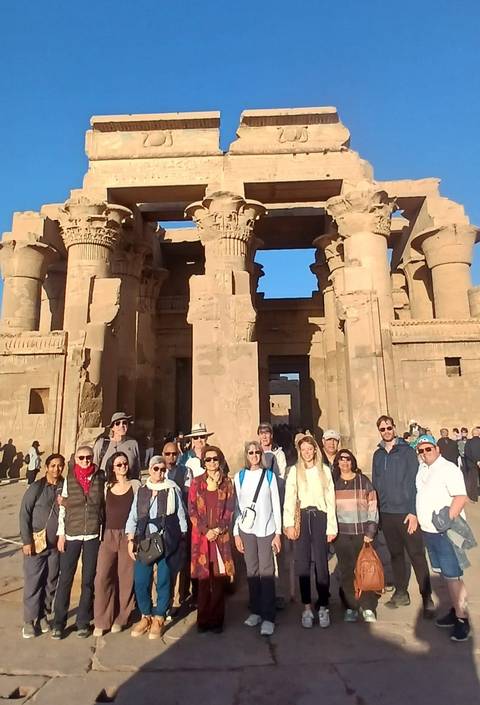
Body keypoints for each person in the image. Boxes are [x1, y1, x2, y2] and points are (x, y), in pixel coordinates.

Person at [372, 415, 434, 617]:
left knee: (416, 555)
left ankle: (427, 597)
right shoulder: (378, 455)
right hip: (388, 513)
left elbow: (415, 483)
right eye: (382, 429)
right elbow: (376, 483)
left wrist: (413, 512)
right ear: (379, 431)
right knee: (396, 554)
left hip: (406, 513)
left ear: (394, 428)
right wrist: (378, 514)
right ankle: (401, 592)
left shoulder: (406, 452)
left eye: (389, 428)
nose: (386, 431)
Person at [414, 434, 471, 641]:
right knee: (446, 575)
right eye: (420, 450)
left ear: (436, 448)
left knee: (453, 576)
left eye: (428, 449)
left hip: (445, 531)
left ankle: (462, 619)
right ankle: (455, 610)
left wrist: (447, 520)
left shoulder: (448, 469)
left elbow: (461, 496)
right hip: (429, 531)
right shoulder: (423, 469)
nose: (424, 453)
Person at [126, 455, 187, 639]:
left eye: (162, 469)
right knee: (141, 579)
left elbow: (181, 514)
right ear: (150, 469)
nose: (159, 473)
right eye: (156, 469)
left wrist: (182, 538)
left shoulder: (171, 489)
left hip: (166, 539)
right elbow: (133, 516)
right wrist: (130, 539)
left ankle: (159, 615)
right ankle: (146, 615)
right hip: (145, 540)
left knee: (163, 579)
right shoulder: (142, 491)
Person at [52, 446, 105, 639]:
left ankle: (83, 621)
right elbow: (63, 509)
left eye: (88, 457)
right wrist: (61, 534)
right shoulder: (70, 479)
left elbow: (104, 504)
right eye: (81, 458)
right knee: (65, 578)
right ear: (76, 459)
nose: (85, 461)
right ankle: (59, 622)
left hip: (91, 535)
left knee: (88, 580)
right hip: (72, 534)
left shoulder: (100, 477)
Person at [284, 435, 337, 629]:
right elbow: (290, 498)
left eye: (310, 448)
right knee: (303, 564)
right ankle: (307, 607)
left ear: (315, 450)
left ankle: (323, 605)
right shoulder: (294, 471)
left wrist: (332, 526)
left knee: (322, 564)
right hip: (302, 517)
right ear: (300, 452)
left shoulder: (324, 470)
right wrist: (289, 524)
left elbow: (330, 499)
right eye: (303, 449)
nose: (307, 452)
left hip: (320, 517)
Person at [234, 441, 282, 636]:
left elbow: (276, 505)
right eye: (250, 452)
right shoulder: (239, 477)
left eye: (257, 452)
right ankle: (255, 610)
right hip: (247, 529)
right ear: (246, 455)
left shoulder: (269, 476)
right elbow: (237, 506)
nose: (254, 455)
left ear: (261, 455)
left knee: (267, 571)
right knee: (252, 571)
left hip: (266, 528)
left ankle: (269, 615)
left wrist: (278, 533)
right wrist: (236, 533)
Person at [93, 452, 140, 637]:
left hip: (127, 535)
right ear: (112, 467)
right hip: (108, 534)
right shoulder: (106, 487)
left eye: (125, 463)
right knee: (103, 577)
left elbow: (139, 510)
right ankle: (102, 619)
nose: (122, 467)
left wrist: (134, 536)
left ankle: (122, 617)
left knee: (126, 577)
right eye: (118, 464)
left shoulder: (135, 485)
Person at [188, 445, 235, 633]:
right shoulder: (196, 483)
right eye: (208, 459)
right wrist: (205, 530)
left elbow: (230, 510)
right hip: (202, 537)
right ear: (204, 462)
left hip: (219, 536)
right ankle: (203, 619)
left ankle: (217, 620)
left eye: (215, 459)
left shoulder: (227, 483)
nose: (212, 462)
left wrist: (218, 529)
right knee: (204, 579)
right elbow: (192, 510)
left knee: (218, 578)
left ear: (220, 460)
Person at [19, 453, 65, 638]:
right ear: (47, 467)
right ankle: (29, 621)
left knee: (51, 581)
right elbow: (24, 514)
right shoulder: (37, 488)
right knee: (33, 582)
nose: (56, 469)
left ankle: (43, 615)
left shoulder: (65, 487)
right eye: (53, 465)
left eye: (60, 465)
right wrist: (26, 541)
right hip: (36, 544)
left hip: (55, 546)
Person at [332, 449, 379, 623]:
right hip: (342, 534)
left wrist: (370, 531)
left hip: (361, 533)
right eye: (341, 460)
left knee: (364, 571)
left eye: (348, 459)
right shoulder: (334, 484)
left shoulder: (363, 481)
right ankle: (351, 606)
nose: (344, 463)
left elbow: (372, 506)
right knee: (346, 572)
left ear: (352, 462)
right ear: (337, 463)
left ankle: (367, 606)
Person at [93, 412, 141, 480]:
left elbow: (137, 469)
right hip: (106, 486)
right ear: (112, 427)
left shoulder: (133, 443)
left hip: (127, 485)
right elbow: (94, 467)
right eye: (117, 423)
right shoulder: (101, 444)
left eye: (124, 422)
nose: (121, 426)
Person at [180, 422, 214, 487]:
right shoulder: (185, 457)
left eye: (202, 437)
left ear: (206, 438)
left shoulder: (215, 455)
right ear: (192, 439)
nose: (199, 440)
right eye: (195, 437)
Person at [463, 426, 480, 503]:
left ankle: (473, 498)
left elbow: (466, 453)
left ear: (472, 433)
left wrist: (475, 461)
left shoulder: (468, 442)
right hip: (476, 463)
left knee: (472, 481)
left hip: (471, 464)